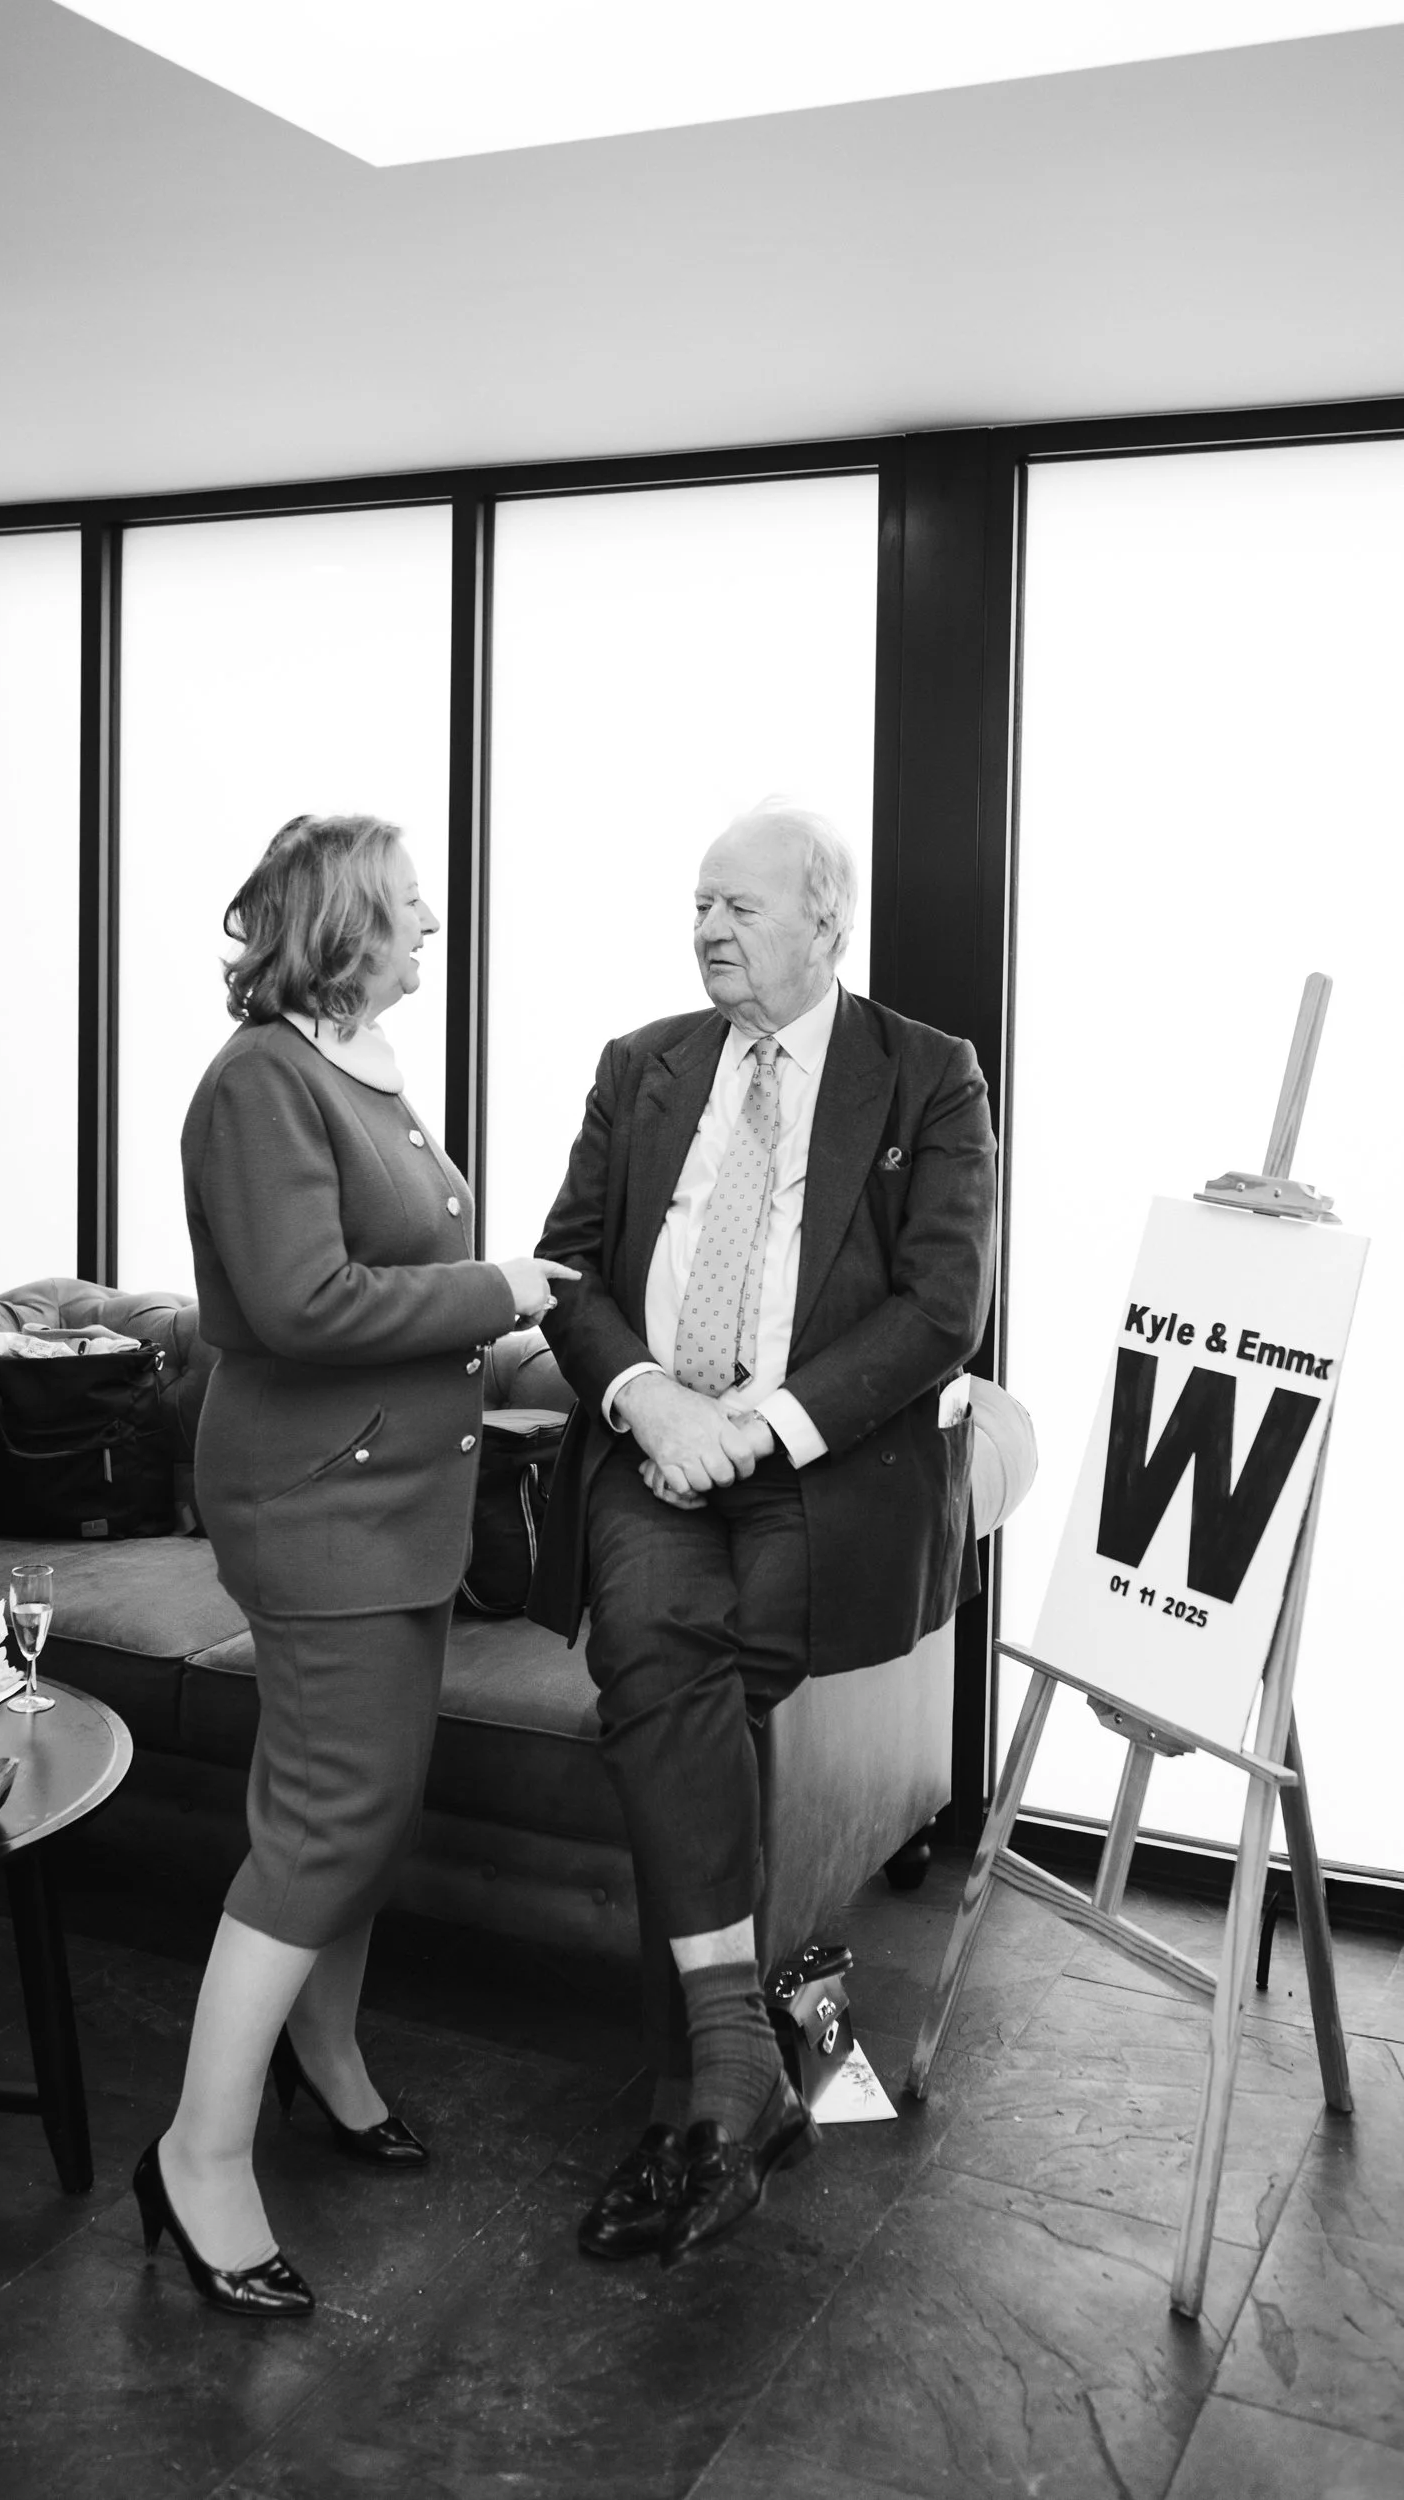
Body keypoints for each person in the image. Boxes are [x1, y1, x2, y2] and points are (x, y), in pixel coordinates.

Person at [529, 799, 996, 2269]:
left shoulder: (926, 1079)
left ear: (823, 922)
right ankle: (738, 2085)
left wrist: (760, 1420)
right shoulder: (642, 1066)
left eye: (737, 908)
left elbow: (939, 1310)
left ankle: (724, 2081)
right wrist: (646, 1396)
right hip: (653, 1449)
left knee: (708, 1674)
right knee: (654, 1649)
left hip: (815, 1462)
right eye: (698, 907)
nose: (708, 931)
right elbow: (565, 1266)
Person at [135, 812, 577, 2318]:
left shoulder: (353, 1072)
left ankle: (323, 2060)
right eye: (404, 907)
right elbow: (306, 1303)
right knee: (330, 1821)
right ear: (340, 927)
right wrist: (495, 1286)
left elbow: (405, 1310)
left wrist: (539, 1346)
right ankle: (198, 2154)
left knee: (364, 1813)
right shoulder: (260, 1084)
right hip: (316, 1511)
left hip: (391, 1516)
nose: (429, 929)